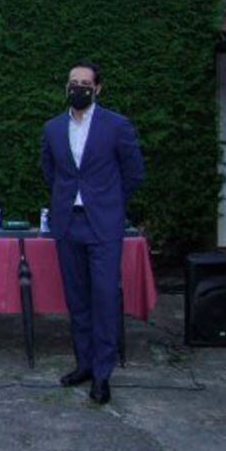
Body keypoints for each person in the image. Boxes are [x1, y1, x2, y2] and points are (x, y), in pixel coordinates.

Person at [40, 62, 144, 405]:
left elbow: (133, 173)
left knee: (104, 298)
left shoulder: (116, 125)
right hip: (69, 223)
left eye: (85, 83)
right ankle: (83, 364)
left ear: (97, 88)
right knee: (77, 299)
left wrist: (110, 203)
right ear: (66, 86)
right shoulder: (53, 128)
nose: (79, 88)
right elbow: (50, 172)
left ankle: (103, 373)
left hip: (103, 224)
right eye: (73, 82)